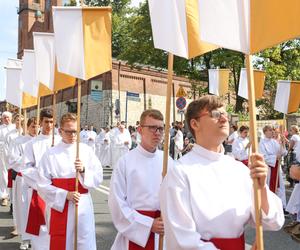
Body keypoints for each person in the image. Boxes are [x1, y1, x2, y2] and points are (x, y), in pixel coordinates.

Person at [160, 95, 284, 250]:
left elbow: (273, 222)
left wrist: (262, 189)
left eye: (225, 115)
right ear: (195, 123)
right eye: (215, 115)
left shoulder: (239, 169)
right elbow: (181, 240)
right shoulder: (179, 172)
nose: (224, 119)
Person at [37, 113, 103, 250]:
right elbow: (42, 184)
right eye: (68, 131)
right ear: (60, 131)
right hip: (60, 205)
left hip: (82, 203)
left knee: (84, 241)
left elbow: (98, 177)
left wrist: (84, 170)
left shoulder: (85, 150)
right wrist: (65, 195)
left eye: (75, 131)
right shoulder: (51, 154)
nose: (73, 135)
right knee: (62, 241)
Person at [109, 109, 172, 250]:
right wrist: (148, 224)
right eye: (152, 128)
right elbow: (117, 203)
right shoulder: (125, 162)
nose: (157, 133)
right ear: (140, 130)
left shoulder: (168, 161)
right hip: (135, 232)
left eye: (161, 129)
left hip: (163, 231)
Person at [22, 109, 60, 250]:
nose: (49, 125)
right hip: (40, 191)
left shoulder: (60, 141)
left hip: (58, 190)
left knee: (57, 225)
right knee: (42, 227)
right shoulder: (32, 144)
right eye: (46, 122)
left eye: (51, 122)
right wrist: (42, 181)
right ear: (40, 122)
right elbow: (26, 168)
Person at [8, 117, 38, 249]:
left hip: (39, 181)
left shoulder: (43, 141)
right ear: (27, 127)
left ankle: (38, 239)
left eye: (37, 126)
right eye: (32, 126)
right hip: (24, 180)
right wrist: (27, 161)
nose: (35, 129)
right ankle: (25, 238)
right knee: (24, 209)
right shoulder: (18, 141)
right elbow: (12, 160)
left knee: (38, 210)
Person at [259, 125, 287, 209]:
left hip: (277, 168)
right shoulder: (262, 143)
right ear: (265, 132)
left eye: (272, 130)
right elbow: (263, 157)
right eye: (270, 130)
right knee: (269, 186)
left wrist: (282, 144)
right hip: (269, 169)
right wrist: (275, 157)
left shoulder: (274, 142)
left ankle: (281, 206)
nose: (272, 132)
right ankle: (270, 206)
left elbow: (283, 152)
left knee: (279, 187)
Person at [0, 111, 15, 206]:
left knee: (13, 174)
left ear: (11, 118)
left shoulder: (15, 128)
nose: (6, 119)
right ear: (2, 119)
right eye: (4, 117)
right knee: (3, 174)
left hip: (13, 152)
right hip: (2, 152)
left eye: (8, 117)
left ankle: (12, 195)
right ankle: (4, 195)